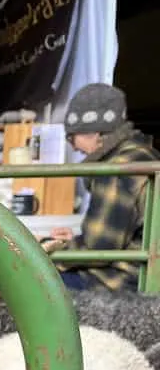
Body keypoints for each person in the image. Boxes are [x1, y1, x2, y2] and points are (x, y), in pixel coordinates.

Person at [47, 83, 160, 292]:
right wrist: (76, 241)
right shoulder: (142, 154)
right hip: (142, 271)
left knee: (33, 282)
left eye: (73, 136)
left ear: (96, 133)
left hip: (120, 281)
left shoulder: (117, 168)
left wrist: (48, 250)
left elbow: (98, 248)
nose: (72, 145)